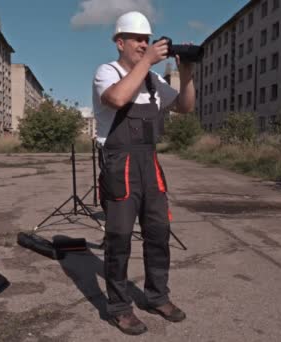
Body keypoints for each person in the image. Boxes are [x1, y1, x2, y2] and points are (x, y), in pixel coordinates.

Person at [92, 11, 195, 335]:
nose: (143, 44)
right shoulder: (106, 72)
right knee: (119, 238)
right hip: (119, 164)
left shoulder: (153, 80)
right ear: (119, 42)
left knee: (158, 233)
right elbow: (118, 97)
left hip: (149, 163)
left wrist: (187, 71)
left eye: (147, 40)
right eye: (137, 39)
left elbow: (184, 107)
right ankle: (120, 307)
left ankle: (157, 296)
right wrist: (147, 61)